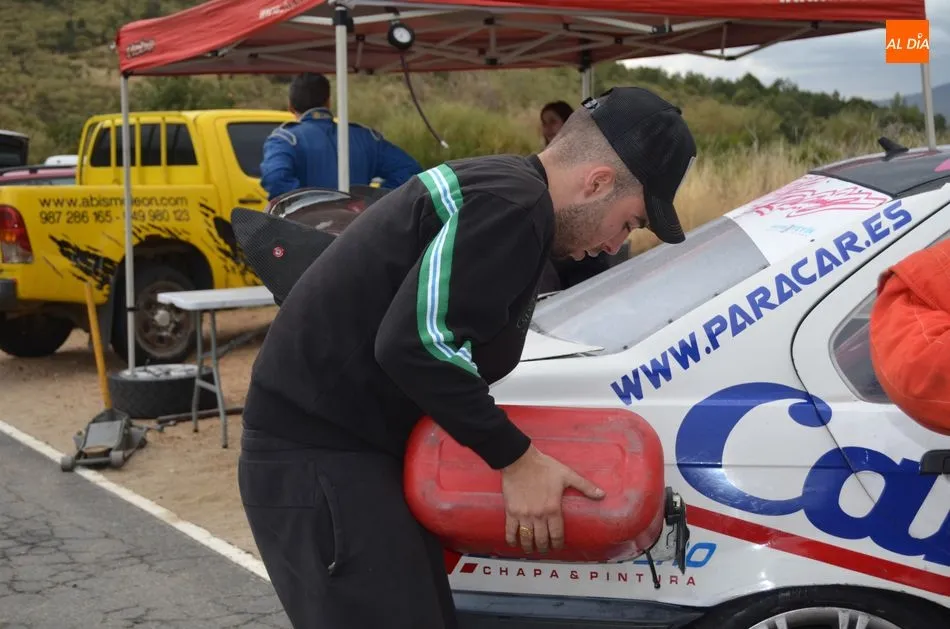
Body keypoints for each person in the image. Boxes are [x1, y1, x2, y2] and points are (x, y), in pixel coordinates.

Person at [238, 86, 698, 629]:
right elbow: (417, 344)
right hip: (319, 460)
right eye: (630, 222)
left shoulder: (504, 188)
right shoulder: (512, 206)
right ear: (597, 183)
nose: (613, 244)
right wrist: (517, 460)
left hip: (348, 454)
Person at [259, 72, 423, 199]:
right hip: (358, 227)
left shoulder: (285, 140)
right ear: (328, 102)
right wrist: (373, 203)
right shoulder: (365, 138)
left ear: (290, 106)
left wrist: (306, 207)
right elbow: (409, 171)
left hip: (305, 228)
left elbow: (275, 178)